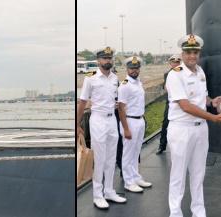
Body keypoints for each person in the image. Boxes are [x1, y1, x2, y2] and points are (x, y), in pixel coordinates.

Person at [165, 34, 221, 217]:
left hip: (200, 129)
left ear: (199, 53)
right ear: (182, 53)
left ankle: (198, 211)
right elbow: (185, 105)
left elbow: (201, 99)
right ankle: (175, 212)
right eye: (188, 52)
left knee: (198, 172)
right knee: (178, 174)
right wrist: (213, 117)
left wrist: (213, 102)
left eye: (195, 52)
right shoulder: (175, 75)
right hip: (181, 128)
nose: (192, 56)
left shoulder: (200, 72)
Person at [76, 47, 127, 210]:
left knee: (111, 158)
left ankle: (109, 191)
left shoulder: (114, 78)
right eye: (104, 58)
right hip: (97, 120)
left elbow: (115, 98)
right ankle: (98, 195)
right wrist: (77, 125)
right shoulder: (90, 79)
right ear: (98, 61)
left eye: (110, 58)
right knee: (100, 159)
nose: (108, 61)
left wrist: (116, 103)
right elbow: (82, 102)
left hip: (112, 119)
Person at [117, 56, 152, 193]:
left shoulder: (138, 83)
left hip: (139, 120)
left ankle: (136, 177)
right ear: (127, 69)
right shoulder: (125, 85)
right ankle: (128, 181)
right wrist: (125, 128)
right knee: (127, 153)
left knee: (136, 152)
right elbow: (121, 108)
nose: (134, 70)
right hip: (129, 121)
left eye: (136, 68)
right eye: (131, 68)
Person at [156, 54, 181, 155]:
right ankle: (162, 146)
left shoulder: (184, 73)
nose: (175, 64)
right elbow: (167, 88)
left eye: (177, 62)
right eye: (173, 62)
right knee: (165, 123)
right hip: (171, 102)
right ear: (170, 63)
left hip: (184, 102)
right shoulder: (167, 74)